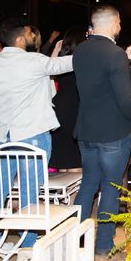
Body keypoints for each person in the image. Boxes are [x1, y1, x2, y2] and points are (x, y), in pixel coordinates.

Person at [0, 19, 72, 249]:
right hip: (33, 135)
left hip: (5, 138)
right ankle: (27, 241)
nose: (32, 36)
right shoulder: (33, 61)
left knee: (0, 187)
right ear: (20, 39)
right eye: (29, 33)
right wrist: (93, 51)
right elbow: (62, 66)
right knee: (30, 189)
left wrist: (2, 123)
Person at [72, 6, 131, 261]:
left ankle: (74, 241)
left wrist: (125, 56)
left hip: (86, 131)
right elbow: (125, 98)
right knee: (111, 188)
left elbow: (98, 79)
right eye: (119, 22)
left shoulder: (81, 50)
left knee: (88, 185)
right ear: (114, 23)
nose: (120, 27)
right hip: (113, 132)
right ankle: (102, 249)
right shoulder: (114, 54)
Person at [49, 28, 86, 171]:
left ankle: (65, 193)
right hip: (77, 108)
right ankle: (74, 194)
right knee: (76, 162)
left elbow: (49, 70)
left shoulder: (61, 61)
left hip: (59, 108)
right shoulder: (83, 61)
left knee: (64, 162)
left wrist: (56, 51)